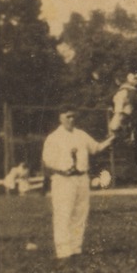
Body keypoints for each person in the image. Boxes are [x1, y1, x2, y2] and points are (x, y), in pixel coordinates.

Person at [41, 104, 114, 261]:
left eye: (73, 116)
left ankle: (76, 247)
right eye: (68, 116)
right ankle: (63, 250)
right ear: (60, 117)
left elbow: (95, 148)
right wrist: (61, 169)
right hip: (63, 179)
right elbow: (47, 160)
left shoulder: (81, 135)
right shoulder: (54, 137)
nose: (71, 119)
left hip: (81, 178)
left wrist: (111, 139)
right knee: (63, 213)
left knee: (80, 213)